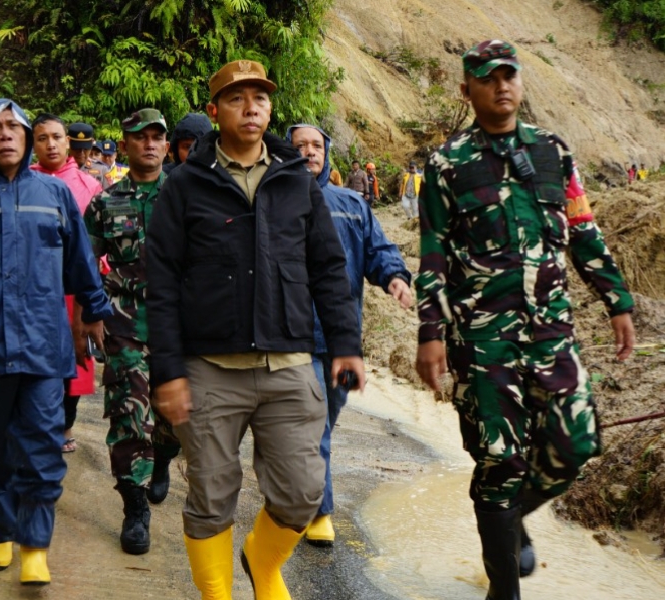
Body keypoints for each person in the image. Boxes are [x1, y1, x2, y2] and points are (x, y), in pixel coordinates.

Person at [415, 40, 636, 600]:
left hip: (551, 332)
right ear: (467, 90)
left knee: (577, 442)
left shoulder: (552, 152)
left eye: (509, 75)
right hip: (483, 339)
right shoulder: (446, 164)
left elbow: (583, 230)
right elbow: (433, 252)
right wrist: (430, 333)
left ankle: (513, 520)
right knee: (498, 460)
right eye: (488, 78)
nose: (502, 85)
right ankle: (504, 588)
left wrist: (617, 302)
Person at [146, 59, 366, 600]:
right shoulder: (185, 184)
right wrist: (168, 371)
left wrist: (345, 344)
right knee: (210, 497)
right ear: (214, 110)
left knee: (303, 491)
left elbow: (327, 267)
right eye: (237, 98)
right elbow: (162, 281)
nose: (251, 108)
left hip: (287, 363)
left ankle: (262, 565)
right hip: (208, 368)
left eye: (260, 98)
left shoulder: (296, 179)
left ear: (270, 109)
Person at [0, 99, 112, 586]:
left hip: (43, 343)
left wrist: (96, 311)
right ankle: (1, 531)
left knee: (42, 444)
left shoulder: (54, 193)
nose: (6, 134)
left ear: (28, 136)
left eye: (15, 126)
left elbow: (81, 260)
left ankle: (34, 543)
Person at [286, 123, 413, 547]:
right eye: (299, 146)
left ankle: (300, 488)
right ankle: (319, 511)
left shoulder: (351, 204)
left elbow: (379, 251)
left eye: (316, 146)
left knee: (325, 420)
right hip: (292, 338)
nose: (309, 152)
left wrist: (394, 277)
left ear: (327, 153)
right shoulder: (274, 200)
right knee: (312, 425)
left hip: (341, 340)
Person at [82, 108, 181, 555]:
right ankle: (135, 509)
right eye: (140, 137)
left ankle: (162, 458)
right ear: (125, 145)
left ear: (166, 145)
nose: (149, 143)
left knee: (173, 418)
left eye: (157, 136)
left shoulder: (184, 198)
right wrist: (90, 312)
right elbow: (85, 262)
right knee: (128, 416)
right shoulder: (105, 203)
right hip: (124, 323)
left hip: (176, 325)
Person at [30, 113, 104, 454]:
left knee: (76, 359)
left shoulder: (89, 186)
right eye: (42, 138)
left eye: (57, 137)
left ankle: (65, 425)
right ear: (33, 144)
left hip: (73, 289)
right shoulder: (22, 182)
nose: (50, 145)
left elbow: (96, 248)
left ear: (67, 142)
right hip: (32, 287)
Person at [68, 122, 108, 187]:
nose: (81, 152)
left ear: (91, 144)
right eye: (76, 148)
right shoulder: (58, 169)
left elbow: (109, 192)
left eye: (85, 148)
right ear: (67, 143)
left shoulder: (102, 170)